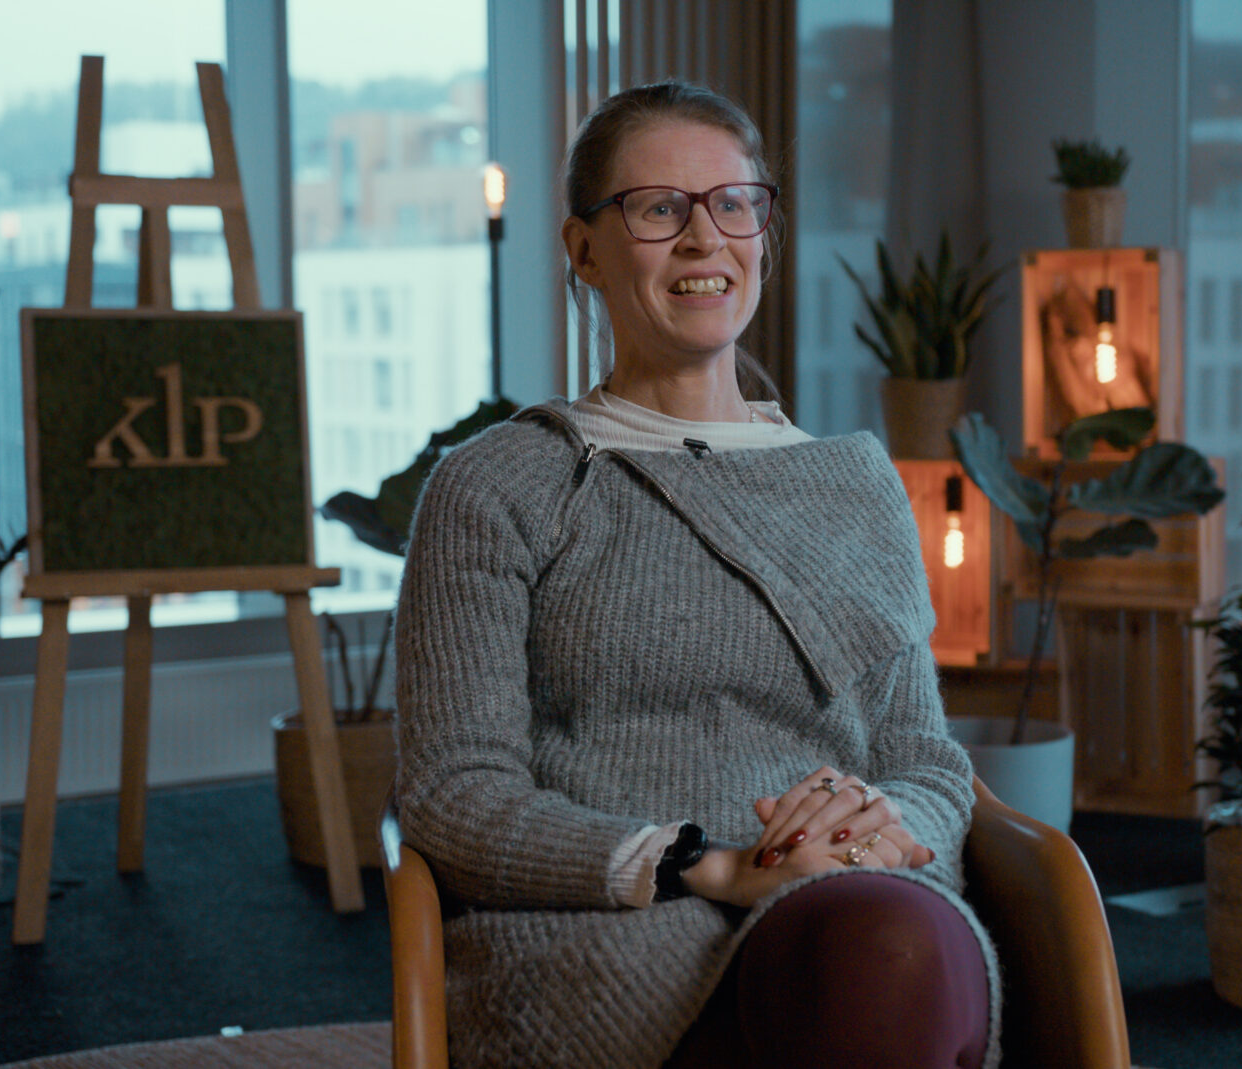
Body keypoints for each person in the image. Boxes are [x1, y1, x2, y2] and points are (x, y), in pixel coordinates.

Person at [393, 80, 998, 1069]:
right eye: (657, 208)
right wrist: (709, 867)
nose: (703, 238)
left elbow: (924, 759)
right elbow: (455, 793)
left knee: (891, 940)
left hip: (849, 906)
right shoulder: (501, 485)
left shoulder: (852, 483)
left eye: (732, 203)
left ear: (764, 231)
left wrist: (873, 840)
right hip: (613, 926)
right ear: (582, 248)